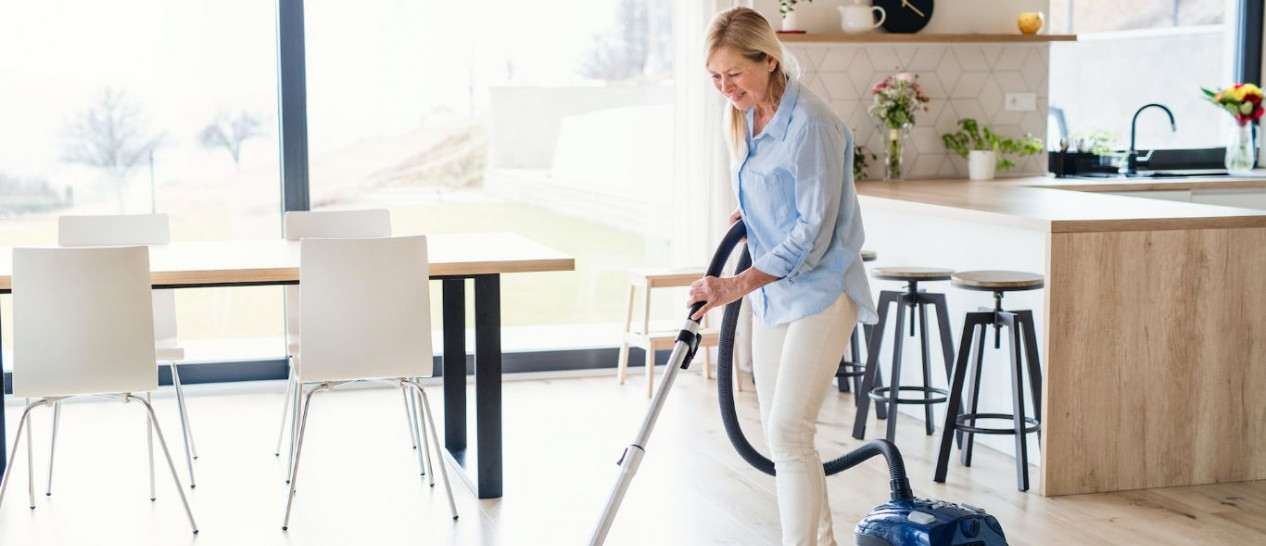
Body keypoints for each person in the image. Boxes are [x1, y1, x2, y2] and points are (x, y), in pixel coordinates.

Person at [686, 7, 878, 546]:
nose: (725, 87)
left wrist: (732, 286)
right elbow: (779, 200)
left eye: (734, 74)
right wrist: (752, 216)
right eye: (715, 77)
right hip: (776, 293)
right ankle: (822, 539)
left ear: (768, 58)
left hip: (821, 289)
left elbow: (812, 233)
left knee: (789, 432)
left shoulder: (811, 124)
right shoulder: (747, 116)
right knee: (785, 436)